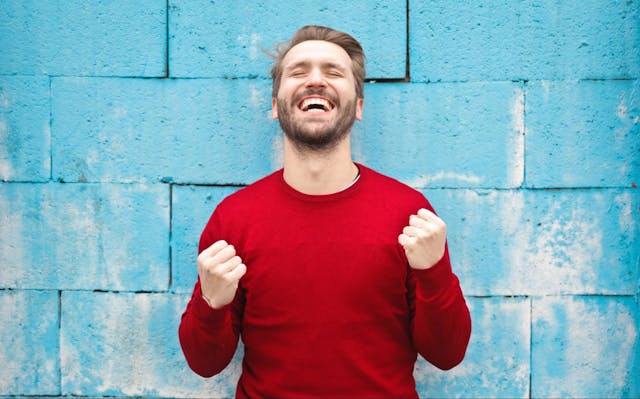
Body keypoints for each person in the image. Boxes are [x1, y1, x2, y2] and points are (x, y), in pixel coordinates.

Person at [179, 25, 471, 398]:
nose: (315, 80)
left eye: (333, 72)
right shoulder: (234, 219)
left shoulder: (409, 215)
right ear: (274, 106)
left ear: (359, 106)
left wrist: (433, 274)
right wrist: (211, 303)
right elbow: (205, 363)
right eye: (299, 71)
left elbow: (447, 354)